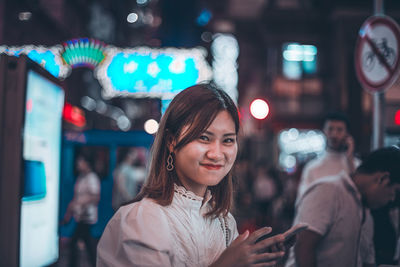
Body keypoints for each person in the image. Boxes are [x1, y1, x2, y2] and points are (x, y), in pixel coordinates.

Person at [97, 83, 288, 267]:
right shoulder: (141, 220)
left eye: (228, 140)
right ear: (172, 141)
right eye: (204, 138)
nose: (216, 154)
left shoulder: (224, 221)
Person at [285, 146, 400, 267]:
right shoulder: (328, 190)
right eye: (395, 192)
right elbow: (303, 246)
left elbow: (366, 261)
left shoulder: (365, 211)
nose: (392, 199)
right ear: (383, 179)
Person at [296, 112, 359, 200]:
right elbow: (303, 199)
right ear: (324, 131)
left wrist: (350, 159)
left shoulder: (356, 165)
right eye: (330, 129)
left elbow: (359, 194)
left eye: (339, 130)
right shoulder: (312, 168)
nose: (334, 134)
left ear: (347, 133)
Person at [62, 154, 101, 267]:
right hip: (81, 216)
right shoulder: (81, 177)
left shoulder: (92, 178)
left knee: (75, 242)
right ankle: (95, 263)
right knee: (87, 244)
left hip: (86, 217)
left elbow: (95, 197)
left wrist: (78, 203)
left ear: (87, 163)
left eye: (81, 161)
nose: (78, 164)